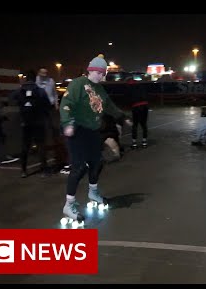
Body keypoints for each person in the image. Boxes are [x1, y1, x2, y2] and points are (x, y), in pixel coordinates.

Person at [59, 54, 132, 223]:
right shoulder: (78, 84)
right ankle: (69, 205)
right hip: (77, 129)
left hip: (92, 131)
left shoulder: (100, 90)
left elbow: (110, 107)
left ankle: (93, 192)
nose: (102, 76)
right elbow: (66, 104)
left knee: (97, 162)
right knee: (79, 167)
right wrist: (67, 123)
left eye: (103, 73)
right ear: (92, 70)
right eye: (100, 73)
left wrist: (121, 117)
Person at [12, 70, 52, 178]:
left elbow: (11, 99)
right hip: (38, 122)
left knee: (25, 147)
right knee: (41, 146)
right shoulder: (40, 91)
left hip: (25, 123)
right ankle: (44, 170)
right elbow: (48, 105)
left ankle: (23, 171)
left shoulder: (19, 91)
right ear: (35, 79)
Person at [126, 77, 149, 149]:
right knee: (144, 124)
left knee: (135, 125)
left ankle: (134, 143)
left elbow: (128, 98)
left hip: (136, 107)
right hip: (144, 106)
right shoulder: (140, 86)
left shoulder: (129, 88)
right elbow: (146, 95)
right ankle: (144, 142)